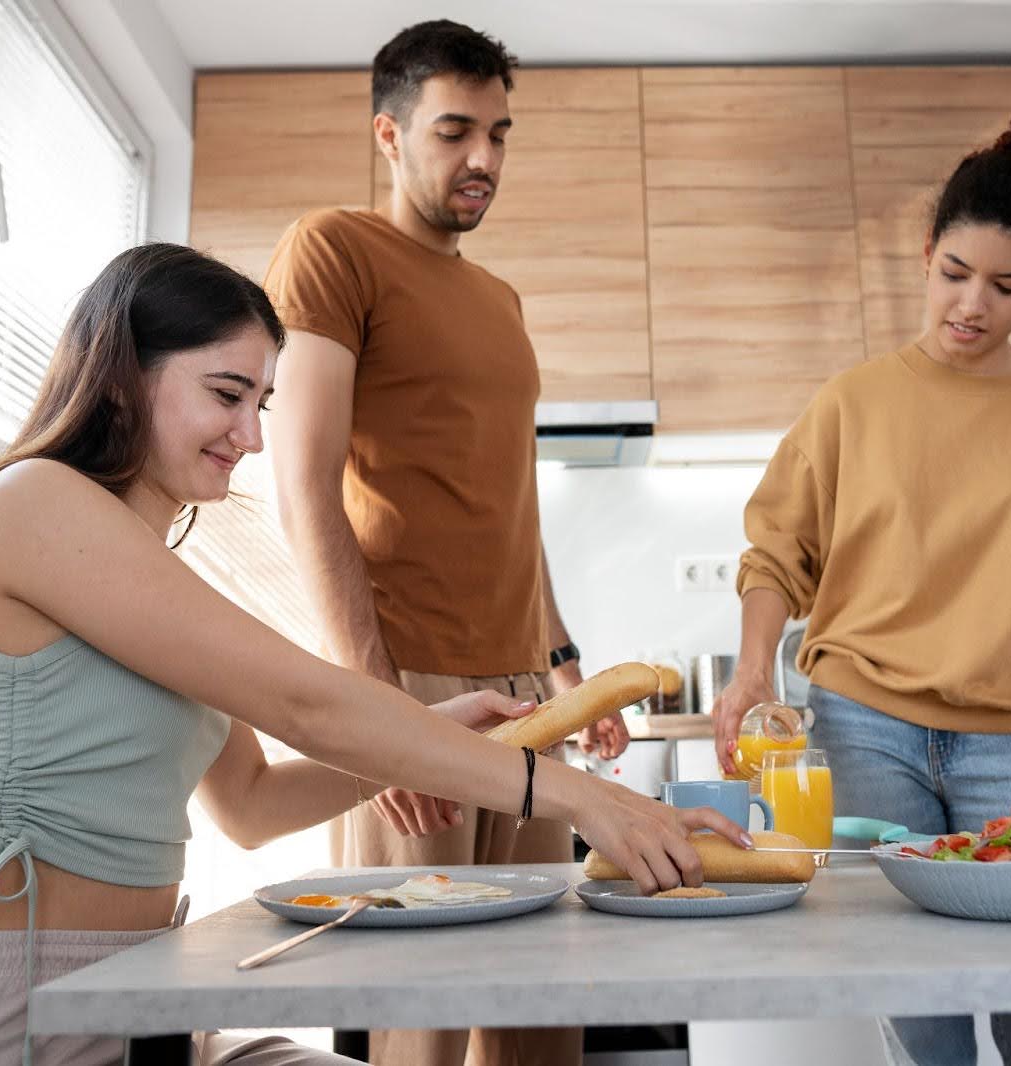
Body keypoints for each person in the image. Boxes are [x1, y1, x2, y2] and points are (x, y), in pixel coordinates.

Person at [0, 243, 746, 1066]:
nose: (252, 436)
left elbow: (250, 802)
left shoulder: (142, 575)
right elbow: (307, 703)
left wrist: (442, 733)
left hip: (152, 1008)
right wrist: (587, 796)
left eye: (261, 402)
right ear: (124, 379)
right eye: (227, 394)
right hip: (11, 1014)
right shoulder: (28, 505)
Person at [711, 94, 1011, 1066]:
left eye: (1004, 284)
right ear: (926, 252)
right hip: (866, 724)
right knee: (918, 1015)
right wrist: (752, 674)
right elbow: (775, 550)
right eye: (954, 273)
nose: (970, 305)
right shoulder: (854, 402)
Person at [260, 21, 622, 1066]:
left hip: (526, 689)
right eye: (455, 130)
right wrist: (373, 711)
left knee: (542, 1010)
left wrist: (562, 660)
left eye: (500, 134)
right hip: (411, 678)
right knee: (424, 1011)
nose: (484, 159)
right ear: (389, 133)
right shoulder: (333, 249)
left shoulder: (500, 301)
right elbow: (304, 481)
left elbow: (509, 499)